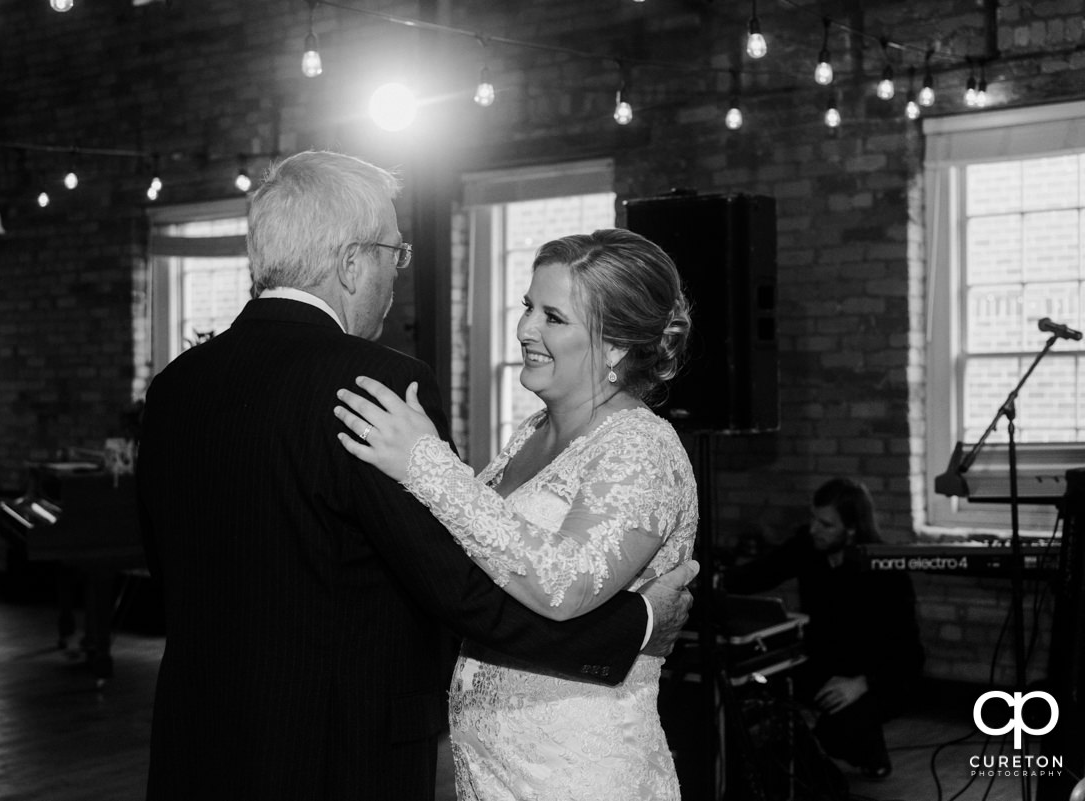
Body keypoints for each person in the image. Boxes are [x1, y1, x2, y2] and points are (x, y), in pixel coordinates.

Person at [135, 152, 699, 801]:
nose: (394, 276)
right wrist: (634, 629)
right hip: (337, 755)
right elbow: (457, 588)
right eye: (392, 255)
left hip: (197, 744)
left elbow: (170, 568)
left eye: (552, 315)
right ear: (351, 264)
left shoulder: (174, 388)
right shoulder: (376, 388)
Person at [334, 229, 700, 800]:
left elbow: (565, 584)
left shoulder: (640, 447)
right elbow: (472, 566)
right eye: (530, 306)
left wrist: (428, 465)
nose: (526, 329)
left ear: (617, 348)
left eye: (554, 317)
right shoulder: (532, 432)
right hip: (489, 763)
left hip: (577, 770)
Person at [720, 477, 924, 780]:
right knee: (758, 692)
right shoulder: (809, 544)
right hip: (822, 660)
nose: (815, 529)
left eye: (826, 525)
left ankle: (865, 749)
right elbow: (762, 573)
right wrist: (712, 580)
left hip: (872, 674)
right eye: (814, 519)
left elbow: (907, 652)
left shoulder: (885, 570)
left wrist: (861, 683)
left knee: (839, 729)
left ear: (852, 529)